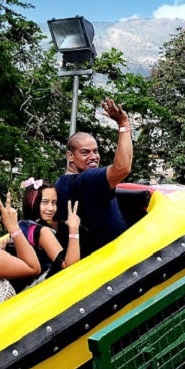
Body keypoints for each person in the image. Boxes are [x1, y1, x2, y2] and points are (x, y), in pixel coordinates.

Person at [55, 97, 133, 257]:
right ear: (70, 156)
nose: (93, 157)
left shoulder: (61, 183)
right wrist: (124, 124)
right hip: (112, 259)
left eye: (95, 151)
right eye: (85, 152)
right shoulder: (87, 180)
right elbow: (122, 168)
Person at [15, 178, 82, 287]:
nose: (51, 208)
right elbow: (69, 266)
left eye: (54, 203)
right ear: (32, 202)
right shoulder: (43, 232)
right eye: (45, 202)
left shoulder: (22, 224)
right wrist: (74, 229)